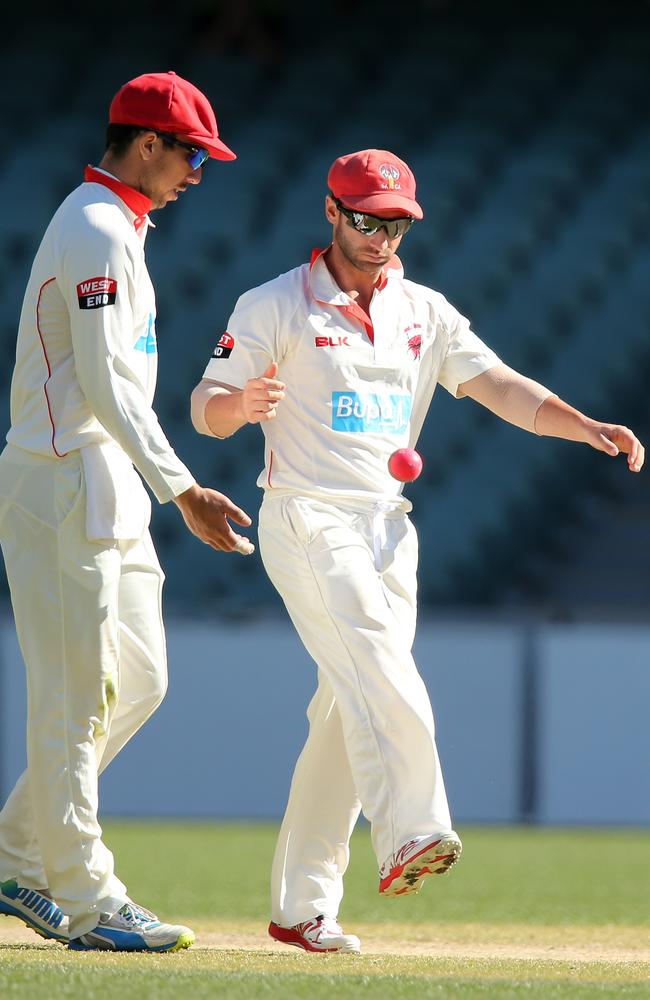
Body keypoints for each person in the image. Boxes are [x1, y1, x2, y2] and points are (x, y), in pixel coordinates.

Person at [190, 148, 645, 954]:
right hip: (306, 516)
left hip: (387, 525)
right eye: (365, 219)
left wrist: (583, 425)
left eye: (396, 224)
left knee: (341, 711)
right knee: (378, 659)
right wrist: (236, 407)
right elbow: (203, 408)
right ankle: (412, 828)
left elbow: (496, 382)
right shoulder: (273, 305)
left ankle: (300, 908)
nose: (380, 237)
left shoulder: (424, 310)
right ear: (330, 212)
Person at [0, 71, 255, 954]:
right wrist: (180, 486)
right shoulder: (98, 226)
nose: (197, 172)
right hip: (64, 476)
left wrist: (153, 484)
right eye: (190, 154)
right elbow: (106, 381)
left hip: (103, 481)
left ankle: (17, 856)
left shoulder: (120, 226)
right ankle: (85, 899)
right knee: (72, 700)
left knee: (138, 680)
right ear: (146, 145)